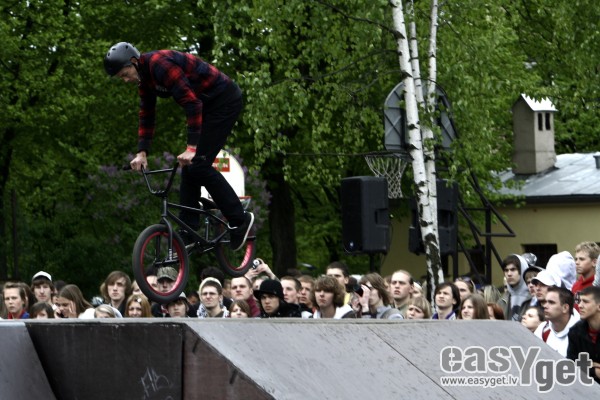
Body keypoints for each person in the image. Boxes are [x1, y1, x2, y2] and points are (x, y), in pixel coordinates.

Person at [104, 42, 253, 251]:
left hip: (224, 101)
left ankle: (240, 219)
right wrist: (142, 152)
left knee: (199, 165)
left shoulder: (160, 64)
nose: (126, 80)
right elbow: (147, 115)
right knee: (189, 167)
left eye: (125, 74)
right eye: (121, 78)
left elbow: (191, 104)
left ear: (134, 62)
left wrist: (192, 147)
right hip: (205, 106)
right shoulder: (144, 81)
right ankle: (189, 229)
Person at [567, 286, 600, 383]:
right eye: (580, 301)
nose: (580, 305)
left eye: (585, 302)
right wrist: (594, 371)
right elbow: (570, 366)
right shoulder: (575, 331)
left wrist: (586, 365)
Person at [534, 286, 579, 357]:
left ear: (565, 308)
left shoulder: (583, 334)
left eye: (551, 302)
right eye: (545, 302)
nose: (545, 306)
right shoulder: (542, 328)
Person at [497, 254, 530, 321]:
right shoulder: (502, 301)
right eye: (506, 270)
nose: (509, 274)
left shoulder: (534, 299)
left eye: (513, 269)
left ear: (522, 271)